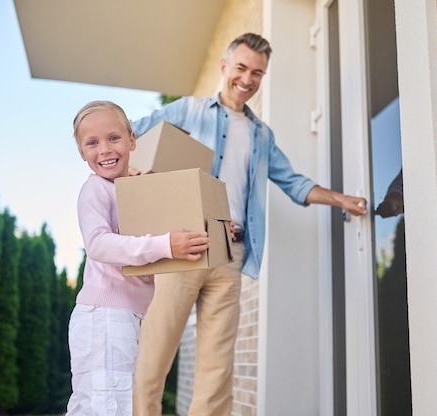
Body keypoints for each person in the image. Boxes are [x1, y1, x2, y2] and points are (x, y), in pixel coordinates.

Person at [130, 33, 368, 416]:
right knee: (154, 355)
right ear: (224, 67)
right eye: (241, 68)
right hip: (185, 241)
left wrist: (339, 198)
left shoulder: (261, 134)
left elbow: (293, 182)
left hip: (230, 253)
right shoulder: (189, 111)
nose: (247, 79)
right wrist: (132, 170)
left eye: (257, 72)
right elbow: (130, 134)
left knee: (217, 368)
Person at [66, 100, 210, 416]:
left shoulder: (125, 190)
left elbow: (144, 226)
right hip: (104, 316)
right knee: (108, 406)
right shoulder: (95, 190)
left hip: (121, 316)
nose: (104, 149)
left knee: (96, 405)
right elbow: (100, 245)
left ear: (132, 140)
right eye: (92, 142)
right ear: (82, 153)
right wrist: (166, 246)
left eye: (114, 138)